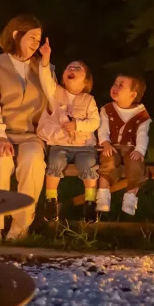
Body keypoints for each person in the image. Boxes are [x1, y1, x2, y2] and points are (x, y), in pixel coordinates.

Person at [0, 14, 51, 244]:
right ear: (16, 35)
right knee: (0, 160)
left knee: (33, 161)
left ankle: (19, 231)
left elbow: (55, 102)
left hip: (30, 136)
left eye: (39, 38)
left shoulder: (43, 68)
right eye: (32, 37)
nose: (36, 43)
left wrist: (45, 67)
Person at [36, 42, 101, 222]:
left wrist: (78, 125)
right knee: (55, 163)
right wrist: (46, 58)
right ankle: (51, 200)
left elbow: (95, 121)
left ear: (86, 81)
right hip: (59, 144)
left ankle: (90, 202)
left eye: (78, 68)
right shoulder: (55, 93)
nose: (72, 69)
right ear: (63, 78)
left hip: (84, 146)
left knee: (89, 164)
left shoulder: (89, 100)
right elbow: (45, 79)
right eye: (69, 67)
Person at [96, 73, 151, 217]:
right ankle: (103, 194)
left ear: (133, 94)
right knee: (108, 160)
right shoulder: (107, 109)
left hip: (131, 148)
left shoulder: (141, 114)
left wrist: (139, 150)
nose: (115, 87)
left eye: (121, 85)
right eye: (115, 83)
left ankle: (130, 197)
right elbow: (103, 129)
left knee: (135, 164)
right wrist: (105, 143)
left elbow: (142, 134)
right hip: (111, 146)